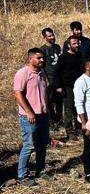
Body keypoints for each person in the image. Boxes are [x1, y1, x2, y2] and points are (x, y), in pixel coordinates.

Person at [13, 48, 50, 186]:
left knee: (42, 144)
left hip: (43, 115)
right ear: (30, 59)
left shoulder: (41, 73)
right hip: (29, 117)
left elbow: (44, 93)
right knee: (29, 145)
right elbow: (18, 94)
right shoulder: (23, 73)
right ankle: (22, 175)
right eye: (39, 58)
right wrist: (29, 112)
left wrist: (49, 110)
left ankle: (40, 170)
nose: (42, 60)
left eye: (42, 58)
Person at [55, 36, 84, 139]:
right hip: (68, 87)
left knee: (79, 108)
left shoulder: (80, 55)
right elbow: (57, 72)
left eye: (77, 43)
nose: (77, 45)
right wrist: (58, 86)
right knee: (68, 110)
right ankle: (70, 132)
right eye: (74, 44)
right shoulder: (63, 57)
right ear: (68, 45)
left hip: (79, 87)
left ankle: (79, 129)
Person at [39, 27, 62, 129]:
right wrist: (46, 80)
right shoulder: (43, 50)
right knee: (49, 101)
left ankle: (59, 119)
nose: (52, 37)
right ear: (45, 37)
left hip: (59, 78)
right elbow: (41, 66)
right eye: (49, 36)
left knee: (59, 100)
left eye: (53, 35)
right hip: (50, 78)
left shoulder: (57, 47)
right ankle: (52, 120)